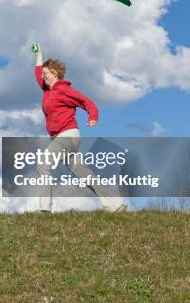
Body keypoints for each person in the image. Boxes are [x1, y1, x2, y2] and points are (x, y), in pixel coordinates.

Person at [33, 43, 127, 212]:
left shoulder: (64, 90)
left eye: (46, 74)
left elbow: (87, 102)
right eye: (43, 74)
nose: (43, 77)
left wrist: (93, 117)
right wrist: (39, 53)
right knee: (82, 172)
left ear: (55, 74)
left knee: (43, 165)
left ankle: (45, 209)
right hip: (65, 139)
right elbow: (37, 73)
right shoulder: (47, 91)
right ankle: (114, 203)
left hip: (66, 136)